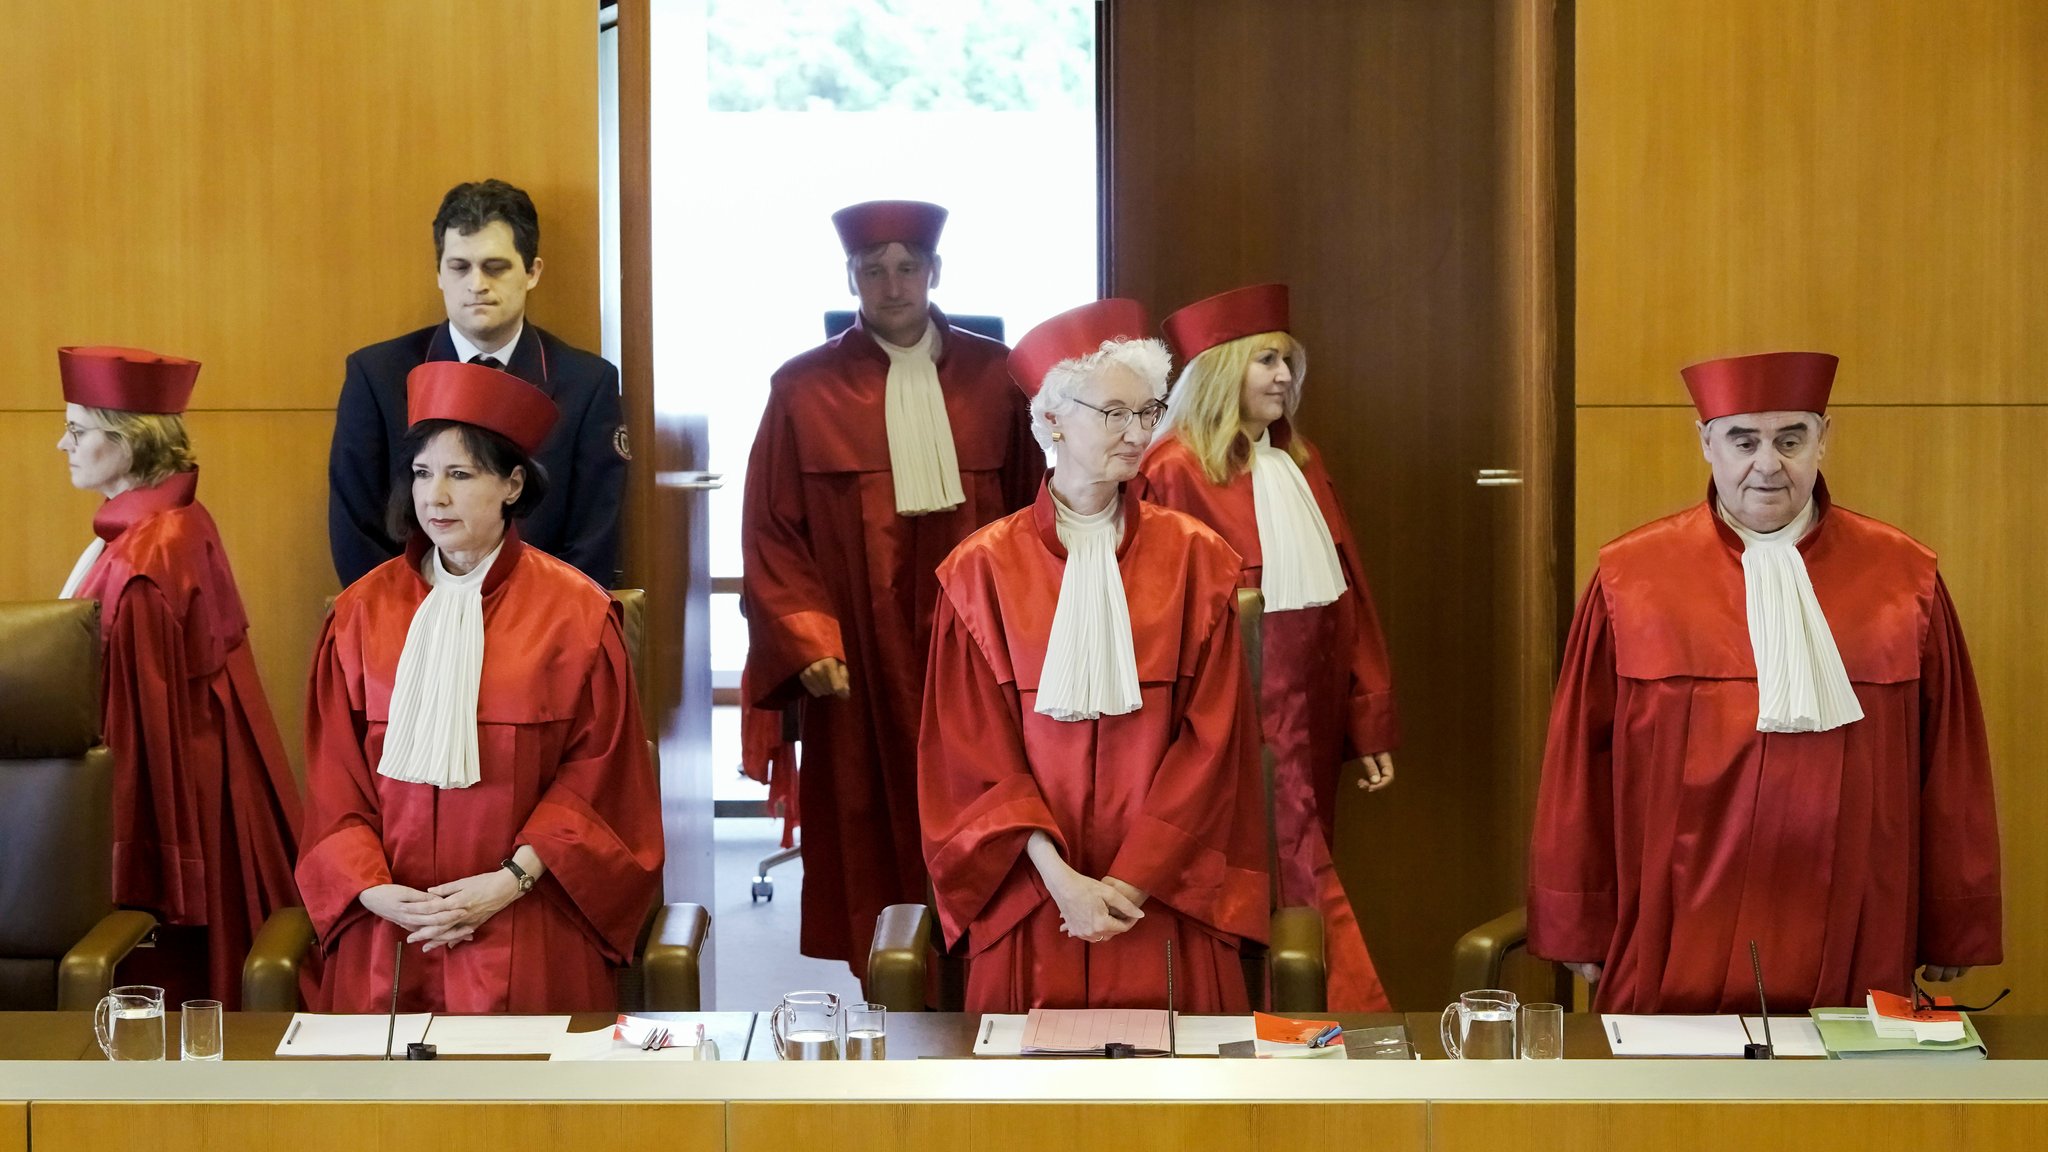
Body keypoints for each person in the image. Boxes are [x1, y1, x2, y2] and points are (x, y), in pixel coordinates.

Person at [1528, 351, 2002, 1012]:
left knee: (1855, 1111)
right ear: (1706, 443)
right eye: (1743, 440)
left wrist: (1957, 917)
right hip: (1678, 922)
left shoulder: (1904, 579)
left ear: (1823, 438)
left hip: (1858, 917)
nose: (1767, 465)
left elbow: (1950, 763)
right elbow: (1580, 762)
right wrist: (1577, 916)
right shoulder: (1630, 577)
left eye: (1790, 439)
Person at [918, 299, 1268, 1012]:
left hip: (1166, 898)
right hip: (1031, 895)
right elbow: (970, 761)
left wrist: (1130, 883)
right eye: (1114, 413)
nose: (1139, 432)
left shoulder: (1200, 562)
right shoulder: (978, 573)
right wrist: (1063, 882)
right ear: (1051, 420)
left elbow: (1214, 747)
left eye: (1148, 413)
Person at [298, 361, 662, 1012]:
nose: (434, 497)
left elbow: (600, 778)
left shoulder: (577, 614)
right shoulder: (357, 615)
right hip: (391, 922)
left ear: (512, 484)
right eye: (422, 473)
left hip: (527, 911)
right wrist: (374, 890)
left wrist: (508, 882)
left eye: (459, 475)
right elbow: (334, 784)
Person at [741, 200, 1043, 976]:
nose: (892, 284)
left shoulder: (997, 377)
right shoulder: (802, 389)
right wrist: (808, 638)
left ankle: (985, 956)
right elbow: (773, 531)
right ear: (851, 278)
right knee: (867, 812)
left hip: (979, 645)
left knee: (987, 789)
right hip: (858, 653)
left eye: (908, 266)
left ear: (935, 273)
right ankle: (888, 974)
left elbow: (1032, 509)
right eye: (872, 270)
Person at [1141, 283, 1398, 1011]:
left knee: (1297, 877)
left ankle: (1291, 1028)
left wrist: (1366, 714)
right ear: (1221, 370)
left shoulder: (1301, 462)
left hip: (1309, 713)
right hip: (1237, 721)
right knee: (1279, 880)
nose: (1284, 376)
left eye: (1288, 360)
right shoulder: (1173, 471)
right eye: (1265, 360)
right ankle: (1327, 1027)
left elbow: (1352, 596)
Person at [54, 345, 302, 1006]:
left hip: (173, 797)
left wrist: (127, 876)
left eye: (78, 430)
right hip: (209, 784)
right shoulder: (164, 524)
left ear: (132, 441)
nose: (62, 443)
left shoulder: (145, 560)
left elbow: (137, 738)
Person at [328, 178, 626, 588]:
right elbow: (356, 528)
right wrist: (408, 623)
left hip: (546, 627)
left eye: (495, 267)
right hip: (409, 626)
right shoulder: (377, 375)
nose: (477, 285)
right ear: (439, 273)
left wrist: (542, 627)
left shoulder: (588, 383)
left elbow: (595, 535)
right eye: (460, 267)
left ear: (532, 271)